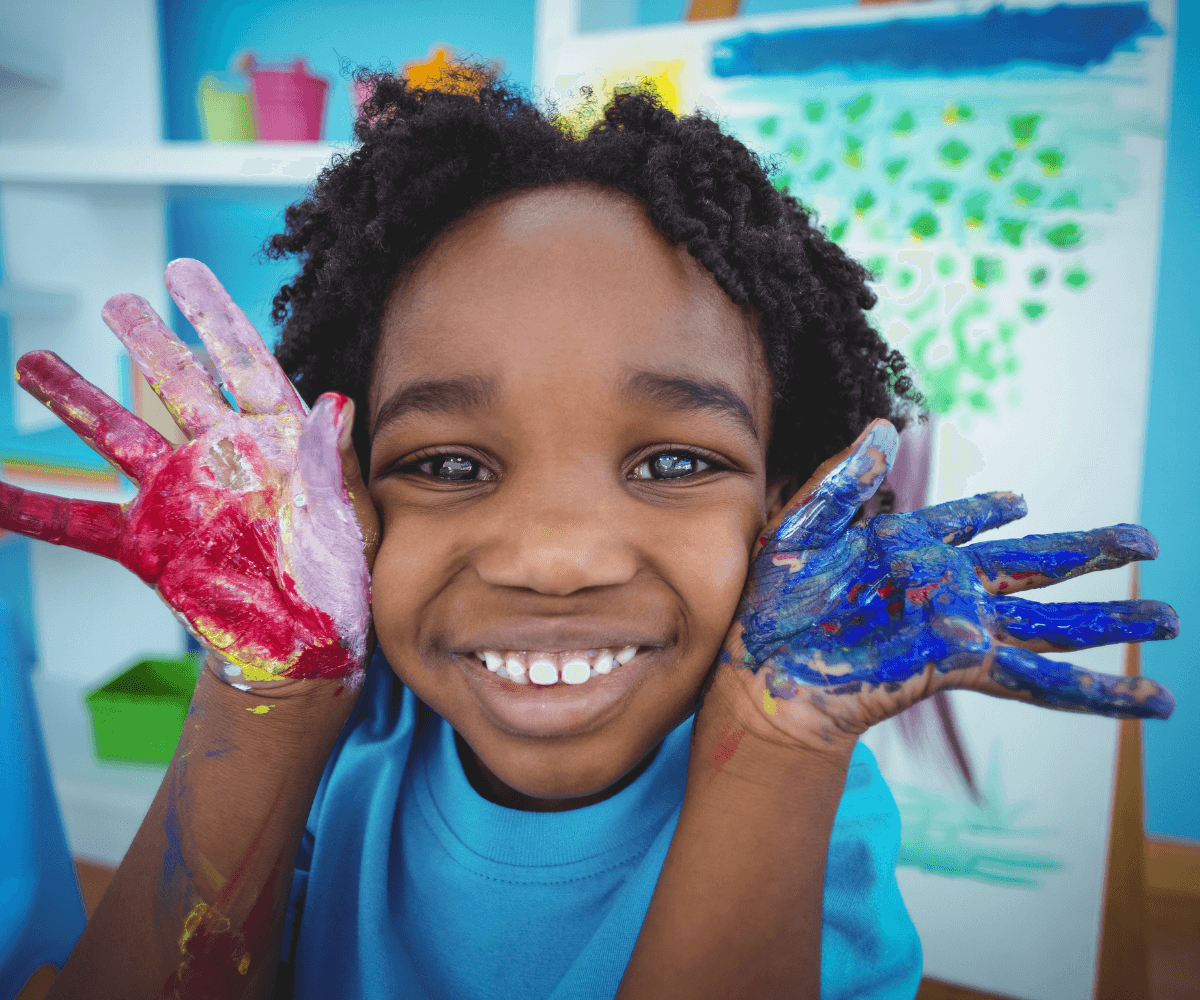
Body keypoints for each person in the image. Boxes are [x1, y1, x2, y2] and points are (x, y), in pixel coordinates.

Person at [0, 70, 1176, 1000]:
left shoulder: (810, 787)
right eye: (449, 465)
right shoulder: (352, 741)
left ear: (785, 508)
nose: (555, 557)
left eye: (674, 462)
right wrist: (264, 696)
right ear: (349, 503)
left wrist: (774, 749)